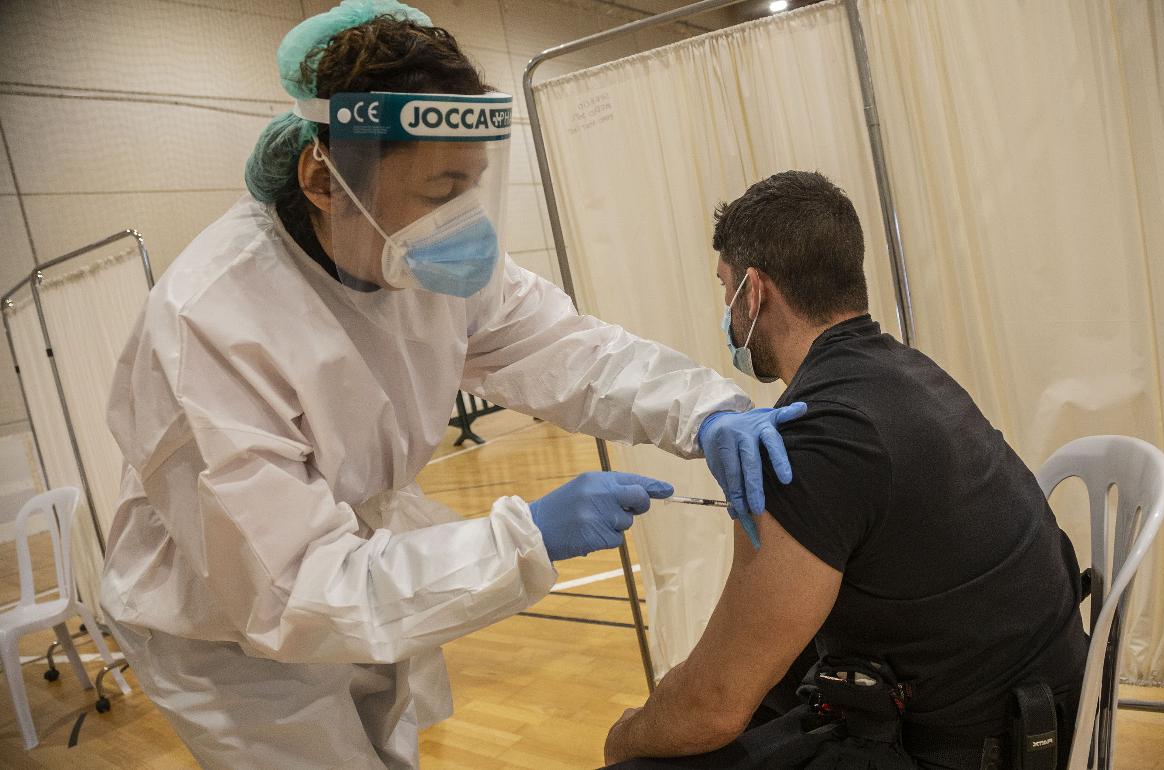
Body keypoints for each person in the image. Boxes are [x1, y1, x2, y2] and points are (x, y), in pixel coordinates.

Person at [98, 3, 805, 768]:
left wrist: (707, 411)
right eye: (441, 192)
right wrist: (526, 538)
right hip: (230, 624)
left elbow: (569, 351)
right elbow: (292, 589)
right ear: (325, 179)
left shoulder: (416, 255)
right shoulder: (210, 322)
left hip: (360, 562)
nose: (464, 223)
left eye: (473, 187)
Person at [603, 171, 1088, 769]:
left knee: (651, 752)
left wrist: (621, 739)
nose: (726, 311)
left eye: (725, 289)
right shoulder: (905, 373)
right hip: (1039, 709)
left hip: (971, 748)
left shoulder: (815, 440)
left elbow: (712, 706)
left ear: (753, 293)